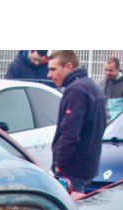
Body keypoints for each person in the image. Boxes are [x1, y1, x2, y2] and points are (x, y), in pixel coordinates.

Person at [47, 51, 106, 194]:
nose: (49, 75)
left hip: (72, 171)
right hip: (86, 168)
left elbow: (70, 134)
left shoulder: (76, 90)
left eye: (53, 69)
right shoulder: (90, 86)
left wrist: (60, 165)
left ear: (68, 66)